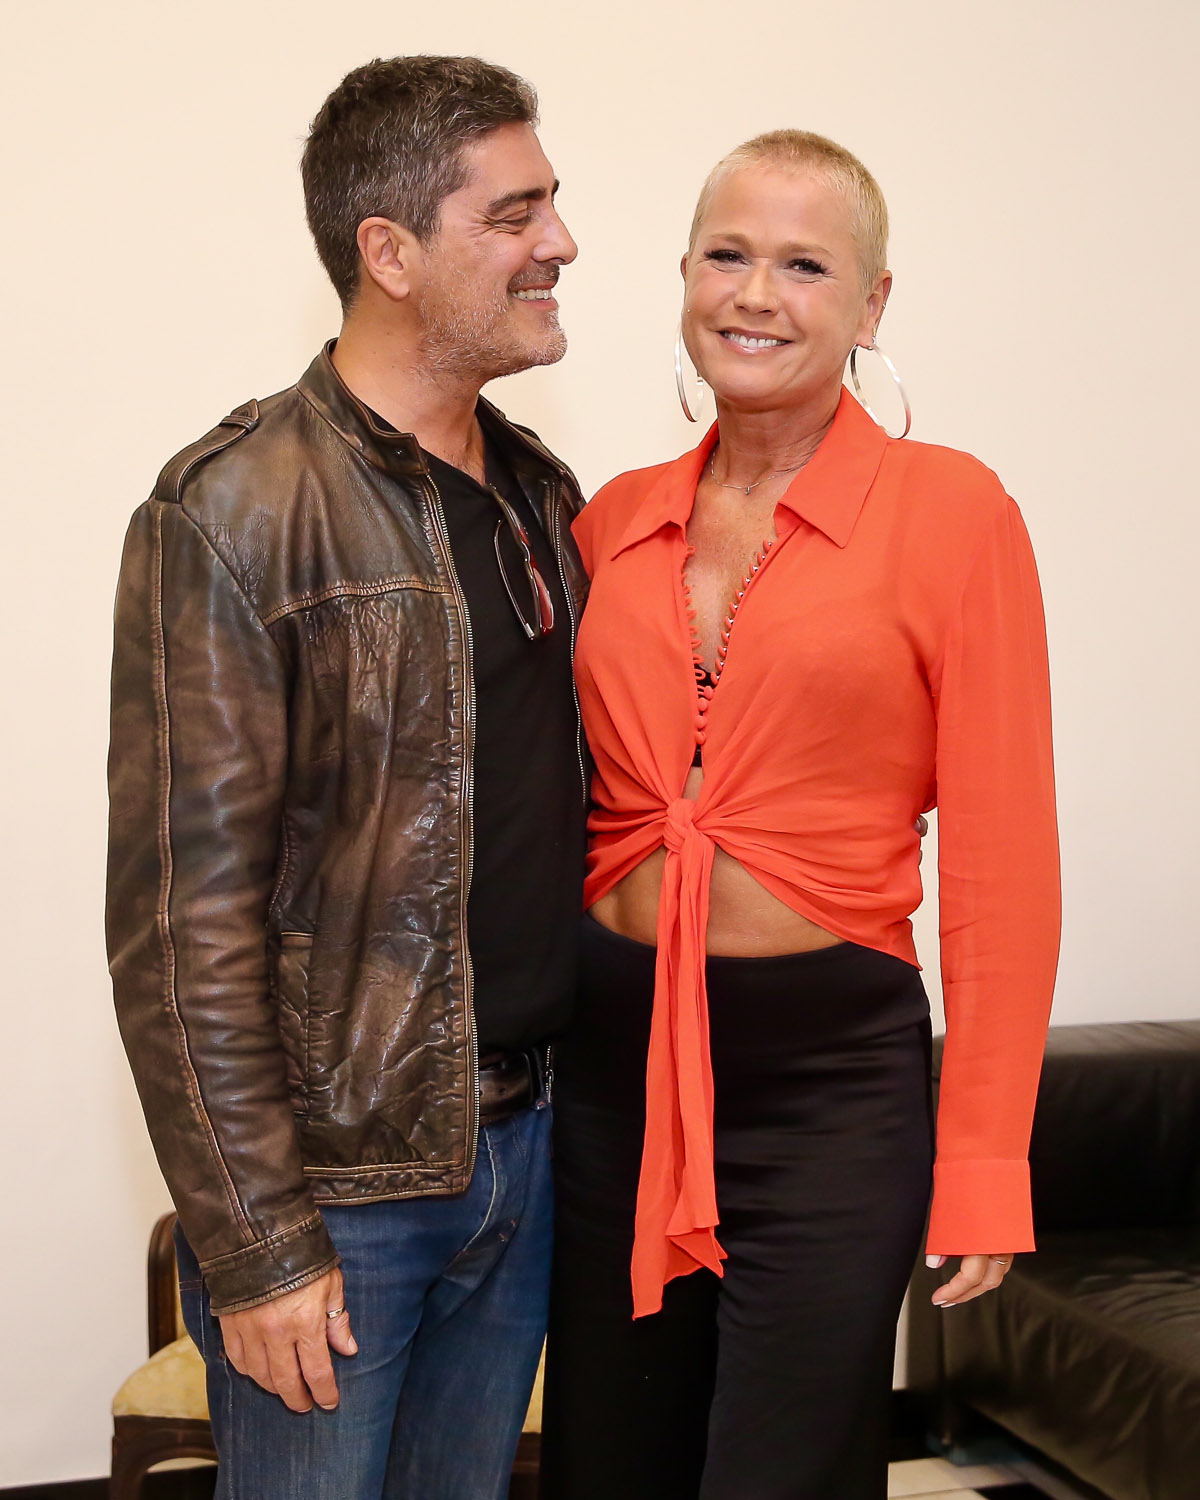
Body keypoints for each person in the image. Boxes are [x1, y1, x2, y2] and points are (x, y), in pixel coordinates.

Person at [542, 130, 1060, 1500]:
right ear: (683, 275)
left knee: (785, 1472)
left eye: (804, 265)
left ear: (871, 303)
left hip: (827, 1089)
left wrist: (986, 1159)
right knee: (614, 1466)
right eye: (727, 254)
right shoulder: (611, 521)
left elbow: (1006, 861)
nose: (756, 294)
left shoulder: (954, 512)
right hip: (613, 1073)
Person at [106, 55, 586, 1500]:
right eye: (515, 213)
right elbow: (180, 923)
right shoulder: (233, 508)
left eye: (553, 204)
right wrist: (257, 1245)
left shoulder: (540, 494)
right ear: (389, 251)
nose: (561, 242)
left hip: (529, 1152)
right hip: (344, 1196)